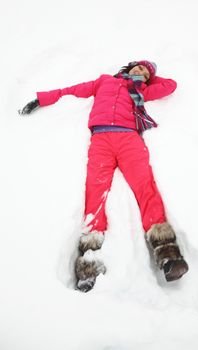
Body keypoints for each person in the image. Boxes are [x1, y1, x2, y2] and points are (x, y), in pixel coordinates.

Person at [19, 60, 189, 292]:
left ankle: (168, 253)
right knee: (95, 193)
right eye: (138, 68)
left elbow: (171, 85)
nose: (140, 72)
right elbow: (72, 90)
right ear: (128, 68)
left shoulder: (143, 90)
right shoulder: (104, 81)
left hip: (129, 138)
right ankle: (89, 263)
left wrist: (146, 79)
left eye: (145, 73)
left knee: (145, 187)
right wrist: (42, 98)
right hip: (101, 140)